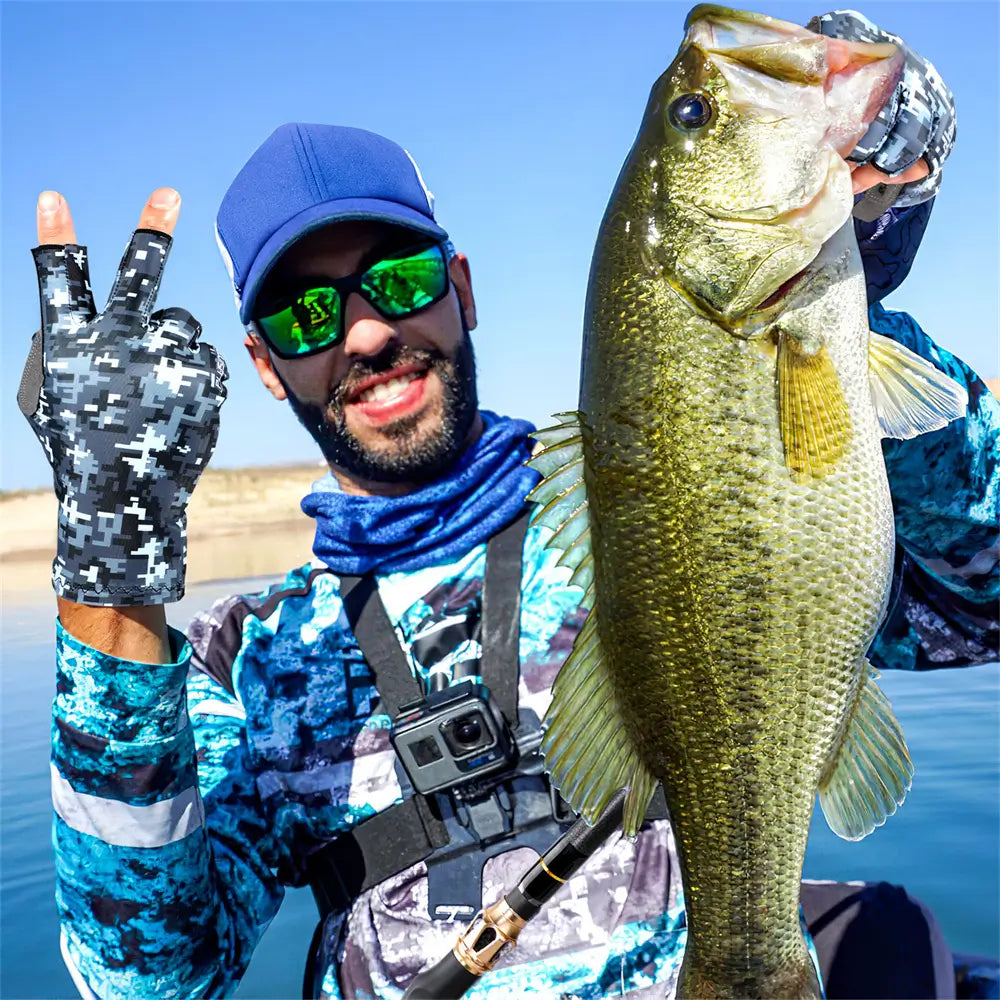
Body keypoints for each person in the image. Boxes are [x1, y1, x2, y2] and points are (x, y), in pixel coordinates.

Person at [19, 10, 997, 1000]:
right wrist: (110, 573)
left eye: (397, 280)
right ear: (267, 368)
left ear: (462, 291)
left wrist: (854, 304)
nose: (363, 335)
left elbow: (980, 602)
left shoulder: (632, 507)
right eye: (307, 314)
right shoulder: (249, 660)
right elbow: (151, 978)